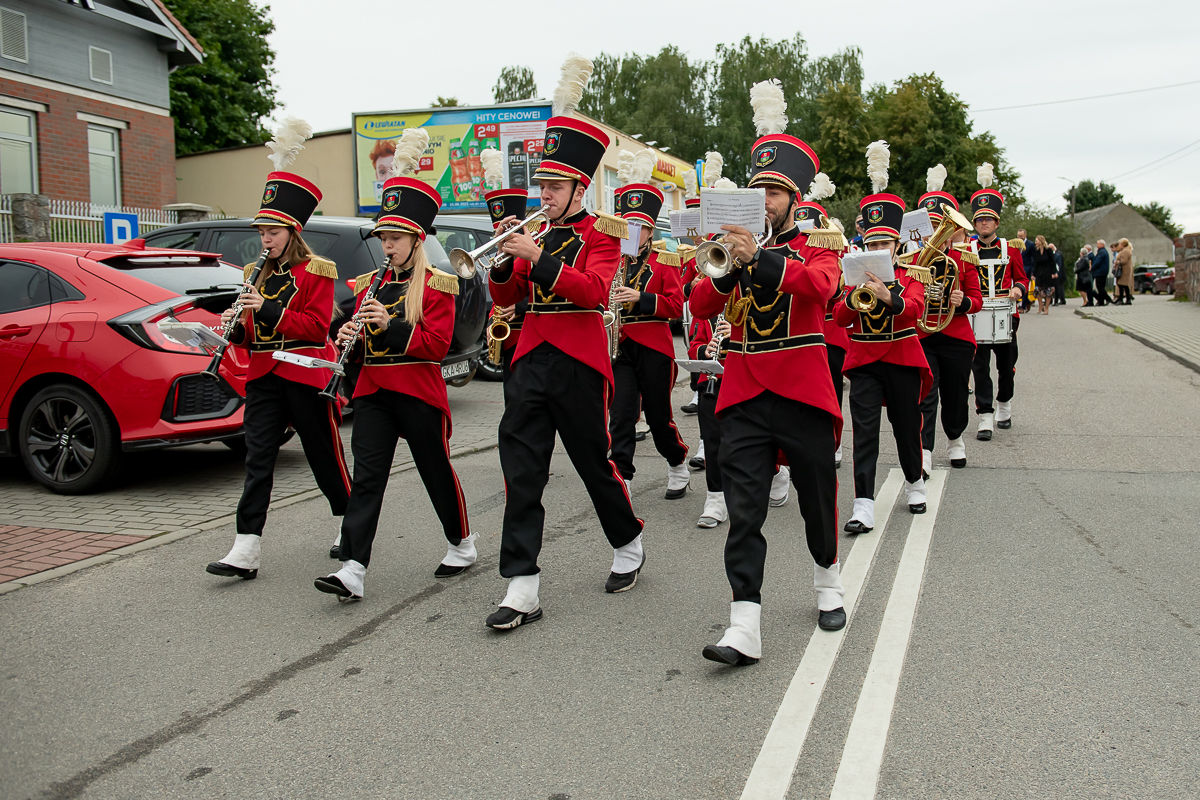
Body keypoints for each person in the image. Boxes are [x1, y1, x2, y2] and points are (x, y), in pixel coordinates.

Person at [691, 78, 848, 668]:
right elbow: (701, 305)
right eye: (757, 189)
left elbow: (821, 288)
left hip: (802, 385)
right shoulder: (733, 245)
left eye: (774, 191)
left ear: (794, 198)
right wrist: (729, 268)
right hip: (744, 389)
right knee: (745, 508)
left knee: (815, 497)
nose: (764, 200)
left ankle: (827, 581)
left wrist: (762, 259)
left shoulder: (817, 242)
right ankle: (743, 625)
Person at [484, 56, 645, 631]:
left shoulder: (604, 232)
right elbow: (505, 296)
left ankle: (627, 539)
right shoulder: (532, 232)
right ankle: (521, 584)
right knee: (521, 468)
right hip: (529, 356)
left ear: (579, 185)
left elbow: (595, 291)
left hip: (579, 358)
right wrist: (506, 260)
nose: (544, 195)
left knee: (593, 463)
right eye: (541, 186)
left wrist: (538, 258)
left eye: (553, 187)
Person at [315, 140, 475, 600]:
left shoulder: (438, 283)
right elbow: (363, 343)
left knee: (435, 471)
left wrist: (391, 326)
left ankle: (461, 542)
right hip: (373, 394)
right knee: (367, 480)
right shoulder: (370, 283)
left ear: (416, 240)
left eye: (396, 239)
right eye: (383, 238)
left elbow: (435, 346)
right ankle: (353, 568)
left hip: (418, 392)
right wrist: (351, 338)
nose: (387, 246)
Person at [206, 119, 352, 581]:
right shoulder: (255, 272)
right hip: (264, 376)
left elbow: (315, 328)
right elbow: (254, 334)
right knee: (258, 458)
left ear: (292, 230)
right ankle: (245, 547)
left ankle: (350, 523)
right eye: (262, 231)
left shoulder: (318, 271)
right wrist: (232, 331)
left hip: (306, 374)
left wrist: (264, 309)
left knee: (323, 455)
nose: (264, 239)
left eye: (272, 231)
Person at [835, 141, 932, 536]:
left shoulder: (911, 275)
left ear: (897, 245)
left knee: (907, 428)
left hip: (903, 359)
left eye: (884, 244)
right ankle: (863, 505)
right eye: (872, 244)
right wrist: (857, 300)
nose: (878, 250)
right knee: (866, 432)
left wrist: (887, 295)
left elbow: (913, 310)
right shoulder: (853, 276)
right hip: (864, 363)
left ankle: (915, 480)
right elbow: (840, 317)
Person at [609, 174, 689, 499]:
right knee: (621, 415)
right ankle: (622, 477)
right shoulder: (611, 260)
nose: (632, 233)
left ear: (649, 231)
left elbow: (675, 304)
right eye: (626, 225)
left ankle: (677, 461)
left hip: (654, 348)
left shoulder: (663, 261)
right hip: (619, 347)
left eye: (638, 227)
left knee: (658, 417)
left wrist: (639, 298)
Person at [914, 166, 983, 473]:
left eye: (940, 224)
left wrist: (962, 301)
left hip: (955, 336)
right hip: (925, 335)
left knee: (955, 396)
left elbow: (977, 300)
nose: (935, 230)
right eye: (930, 224)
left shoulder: (963, 259)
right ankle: (925, 450)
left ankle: (955, 439)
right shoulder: (913, 261)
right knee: (925, 395)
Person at [968, 163, 1027, 440]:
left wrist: (1017, 289)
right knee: (979, 368)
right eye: (979, 220)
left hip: (1006, 315)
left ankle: (1005, 403)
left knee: (1006, 367)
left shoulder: (1011, 248)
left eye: (988, 220)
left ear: (997, 222)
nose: (983, 224)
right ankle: (985, 415)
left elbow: (1023, 279)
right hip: (977, 315)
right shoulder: (966, 250)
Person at [796, 173, 849, 468]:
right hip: (801, 329)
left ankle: (834, 441)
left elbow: (836, 289)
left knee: (830, 388)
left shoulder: (830, 251)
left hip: (829, 330)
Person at [483, 186, 532, 397]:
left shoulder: (532, 250)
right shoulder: (502, 256)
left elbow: (550, 289)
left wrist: (520, 306)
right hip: (509, 338)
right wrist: (491, 321)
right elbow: (499, 295)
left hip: (530, 335)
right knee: (512, 399)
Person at [689, 314, 728, 528]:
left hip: (748, 376)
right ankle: (716, 498)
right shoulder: (710, 308)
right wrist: (705, 350)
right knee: (713, 440)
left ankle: (776, 471)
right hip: (713, 380)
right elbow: (693, 345)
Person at [1030, 235, 1058, 315]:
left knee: (1048, 290)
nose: (1035, 242)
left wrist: (1053, 272)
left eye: (1037, 241)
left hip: (1048, 272)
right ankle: (1040, 306)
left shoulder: (1048, 250)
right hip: (1039, 272)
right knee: (1038, 290)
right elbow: (1036, 264)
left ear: (1041, 241)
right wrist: (1033, 274)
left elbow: (1053, 262)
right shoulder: (1037, 251)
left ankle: (1046, 308)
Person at [1091, 239, 1112, 306]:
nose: (1097, 245)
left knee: (1099, 286)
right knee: (1100, 286)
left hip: (1100, 272)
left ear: (1102, 245)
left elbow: (1098, 261)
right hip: (1102, 271)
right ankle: (1101, 301)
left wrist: (1092, 267)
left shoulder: (1102, 252)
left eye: (1098, 244)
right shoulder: (1102, 251)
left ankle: (1108, 298)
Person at [1114, 238, 1134, 305]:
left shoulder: (1126, 251)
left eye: (1119, 244)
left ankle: (1122, 299)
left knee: (1122, 285)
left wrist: (1117, 261)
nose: (1119, 245)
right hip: (1122, 269)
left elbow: (1124, 261)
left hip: (1124, 270)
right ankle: (1126, 299)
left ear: (1123, 244)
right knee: (1122, 285)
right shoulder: (1124, 250)